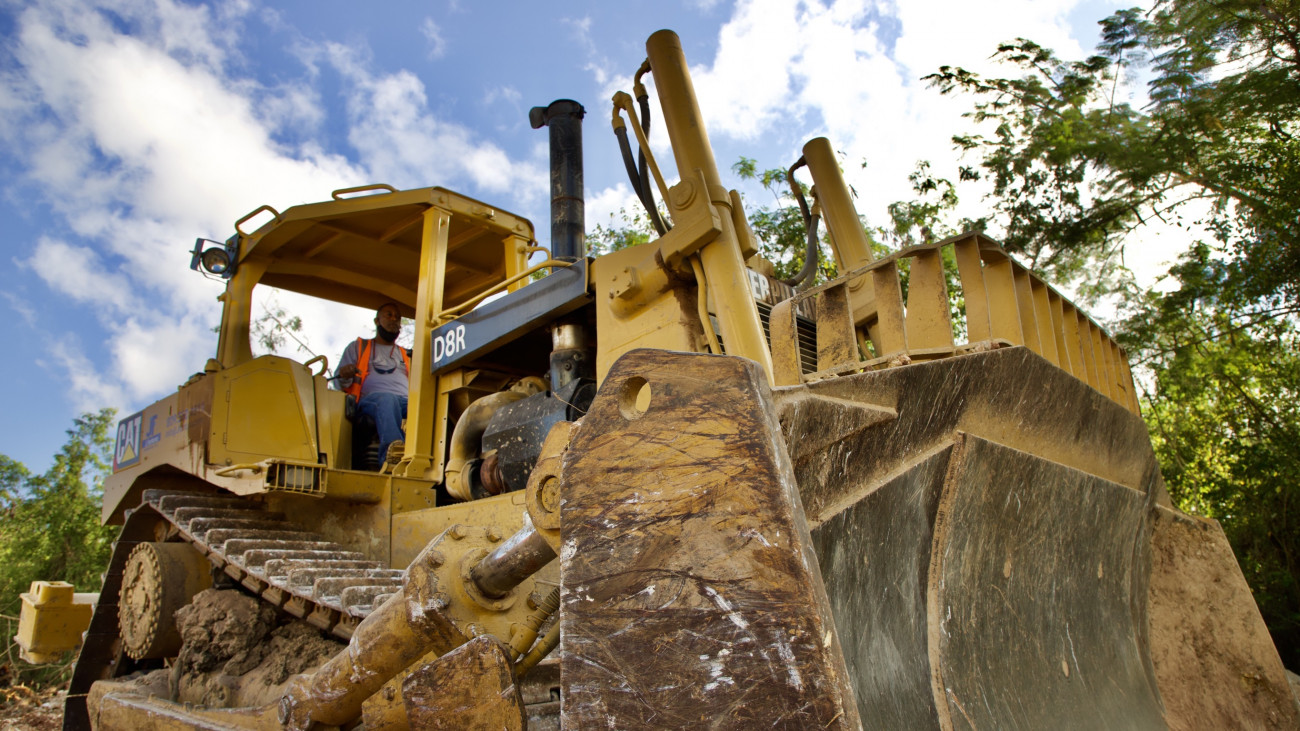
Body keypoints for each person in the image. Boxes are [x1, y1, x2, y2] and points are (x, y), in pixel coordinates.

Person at [335, 302, 411, 464]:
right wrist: (344, 374)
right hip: (369, 401)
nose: (394, 319)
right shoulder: (359, 347)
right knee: (387, 399)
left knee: (426, 409)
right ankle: (392, 457)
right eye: (389, 315)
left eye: (397, 317)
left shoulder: (406, 354)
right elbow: (339, 383)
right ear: (377, 321)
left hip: (405, 401)